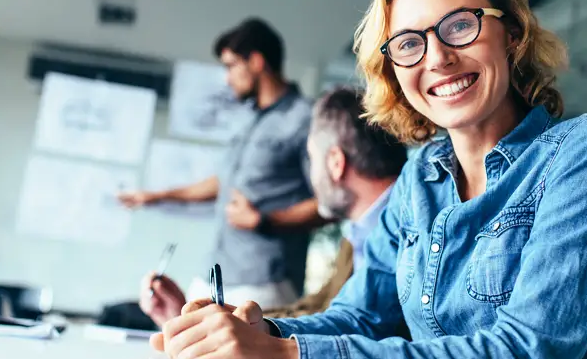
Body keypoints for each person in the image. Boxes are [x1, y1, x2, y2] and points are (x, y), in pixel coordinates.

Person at [151, 0, 587, 359]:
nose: (438, 57)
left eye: (460, 26)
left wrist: (285, 358)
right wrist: (260, 334)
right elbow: (359, 318)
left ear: (510, 33)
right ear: (396, 73)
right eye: (407, 44)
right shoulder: (419, 179)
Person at [140, 86, 407, 326]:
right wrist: (200, 322)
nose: (311, 180)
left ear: (336, 163)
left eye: (312, 159)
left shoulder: (405, 234)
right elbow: (319, 311)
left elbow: (346, 331)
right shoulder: (358, 237)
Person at [120, 18, 325, 309]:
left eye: (231, 66)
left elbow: (330, 203)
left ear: (256, 61)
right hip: (215, 273)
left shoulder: (305, 118)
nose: (227, 79)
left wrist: (265, 221)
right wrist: (158, 196)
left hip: (264, 282)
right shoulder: (247, 120)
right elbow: (224, 181)